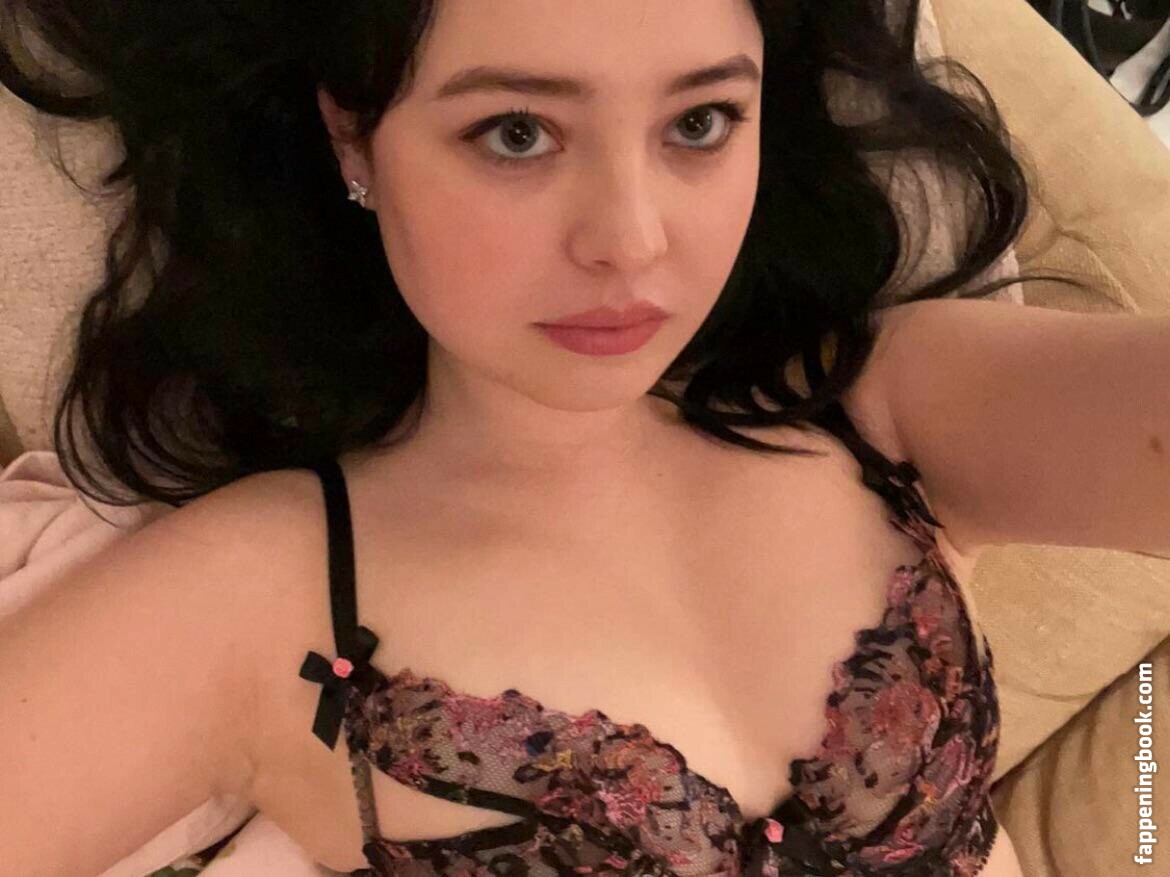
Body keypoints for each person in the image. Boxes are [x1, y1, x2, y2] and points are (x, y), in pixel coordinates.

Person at [0, 1, 1099, 875]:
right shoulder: (255, 590)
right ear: (354, 135)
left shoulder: (885, 398)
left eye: (700, 122)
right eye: (516, 133)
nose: (631, 238)